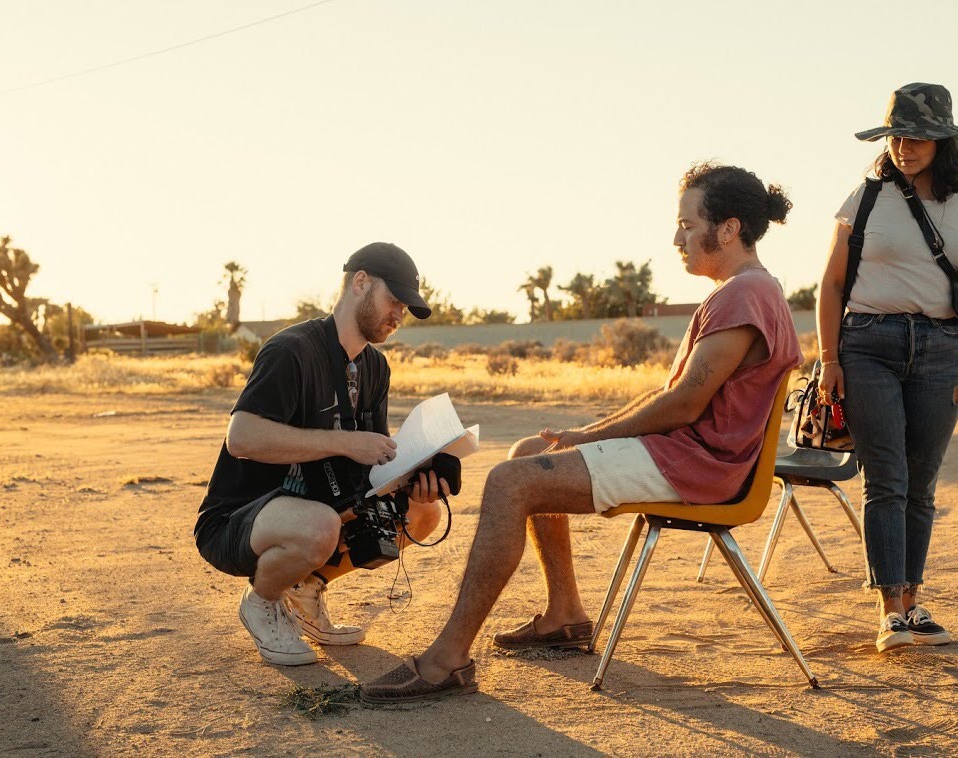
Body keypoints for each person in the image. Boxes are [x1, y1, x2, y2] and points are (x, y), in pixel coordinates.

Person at [359, 163, 803, 702]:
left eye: (688, 225)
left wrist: (590, 437)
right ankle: (564, 614)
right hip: (688, 453)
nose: (677, 239)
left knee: (509, 482)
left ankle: (445, 660)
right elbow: (675, 395)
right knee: (529, 451)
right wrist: (586, 432)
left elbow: (685, 403)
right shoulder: (748, 290)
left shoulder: (743, 294)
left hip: (698, 464)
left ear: (728, 229)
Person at [815, 83, 958, 653]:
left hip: (943, 348)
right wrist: (829, 359)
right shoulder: (865, 198)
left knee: (921, 483)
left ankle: (914, 601)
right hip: (867, 344)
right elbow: (830, 285)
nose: (905, 146)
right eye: (897, 136)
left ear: (944, 141)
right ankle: (889, 609)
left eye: (918, 137)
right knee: (886, 479)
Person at [194, 242, 450, 666]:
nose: (399, 315)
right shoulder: (291, 350)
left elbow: (369, 466)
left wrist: (416, 475)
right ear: (360, 283)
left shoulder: (376, 368)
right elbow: (241, 438)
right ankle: (262, 601)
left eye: (405, 308)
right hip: (238, 519)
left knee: (424, 513)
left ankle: (305, 588)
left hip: (323, 511)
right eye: (394, 300)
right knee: (320, 526)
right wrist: (345, 442)